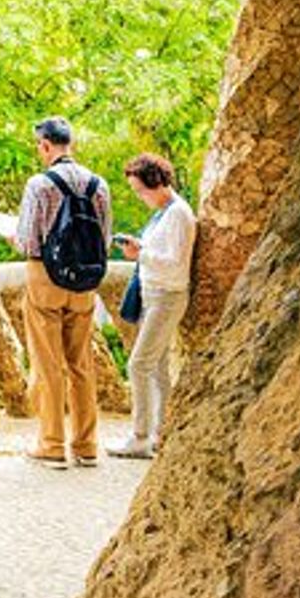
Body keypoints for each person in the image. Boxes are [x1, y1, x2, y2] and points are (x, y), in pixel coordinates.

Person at [10, 117, 112, 469]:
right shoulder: (99, 186)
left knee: (49, 363)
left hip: (45, 278)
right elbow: (105, 238)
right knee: (81, 364)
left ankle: (51, 444)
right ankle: (87, 445)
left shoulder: (40, 184)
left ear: (45, 145)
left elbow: (27, 240)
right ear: (71, 144)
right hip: (84, 281)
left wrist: (12, 235)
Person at [107, 152, 196, 460]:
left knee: (139, 364)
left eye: (140, 190)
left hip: (167, 296)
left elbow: (175, 263)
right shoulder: (164, 213)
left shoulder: (178, 214)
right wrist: (141, 247)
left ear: (156, 183)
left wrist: (140, 255)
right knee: (156, 367)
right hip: (153, 294)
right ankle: (161, 432)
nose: (139, 197)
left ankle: (141, 435)